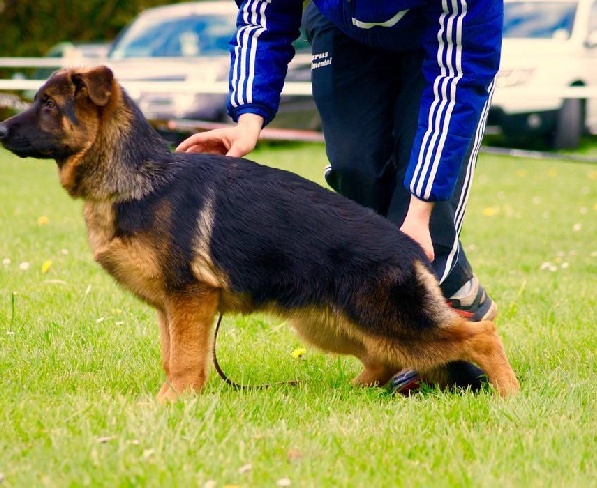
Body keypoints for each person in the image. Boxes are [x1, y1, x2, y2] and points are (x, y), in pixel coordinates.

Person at [177, 0, 503, 393]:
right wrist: (248, 119)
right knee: (356, 170)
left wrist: (418, 216)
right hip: (343, 33)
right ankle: (387, 349)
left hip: (439, 37)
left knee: (418, 213)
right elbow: (263, 15)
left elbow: (456, 86)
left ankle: (448, 313)